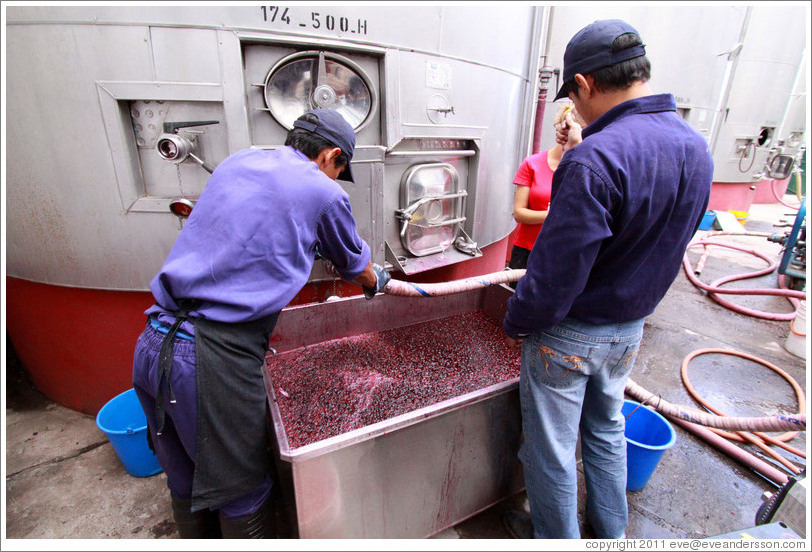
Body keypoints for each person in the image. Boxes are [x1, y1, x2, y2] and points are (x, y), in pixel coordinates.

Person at [132, 108, 390, 539]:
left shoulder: (238, 162)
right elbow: (354, 264)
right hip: (211, 360)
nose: (334, 176)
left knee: (184, 479)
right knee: (243, 493)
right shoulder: (323, 193)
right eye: (339, 168)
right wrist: (376, 279)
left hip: (153, 339)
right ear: (330, 156)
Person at [502, 19, 713, 539]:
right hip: (631, 326)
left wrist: (517, 319)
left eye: (573, 97)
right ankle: (612, 533)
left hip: (570, 332)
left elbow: (555, 274)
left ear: (586, 84)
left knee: (550, 450)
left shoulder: (594, 159)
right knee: (606, 427)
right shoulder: (696, 146)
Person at [508, 102, 587, 288]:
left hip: (565, 252)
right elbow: (519, 213)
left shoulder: (586, 168)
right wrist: (556, 215)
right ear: (561, 128)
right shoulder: (532, 164)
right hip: (527, 251)